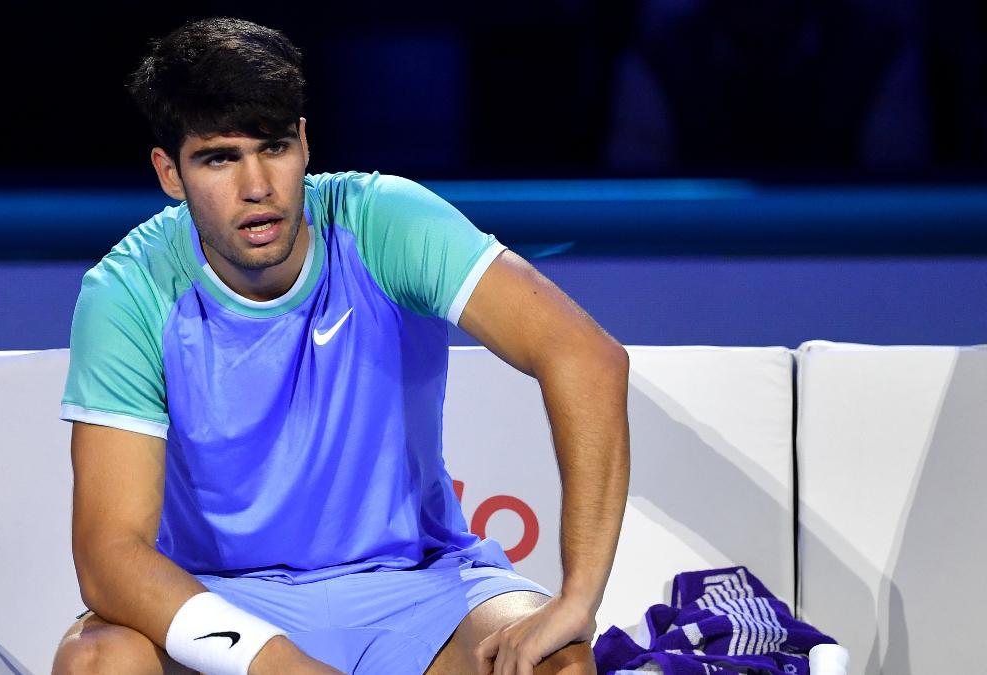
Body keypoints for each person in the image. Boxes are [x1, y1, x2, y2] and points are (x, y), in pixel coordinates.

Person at [51, 16, 629, 675]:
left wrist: (579, 598)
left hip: (419, 587)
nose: (257, 186)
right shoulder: (128, 289)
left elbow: (587, 356)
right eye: (219, 158)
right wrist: (276, 661)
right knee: (98, 661)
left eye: (273, 147)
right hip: (221, 595)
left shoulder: (385, 221)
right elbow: (109, 553)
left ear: (304, 141)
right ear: (170, 173)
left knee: (557, 662)